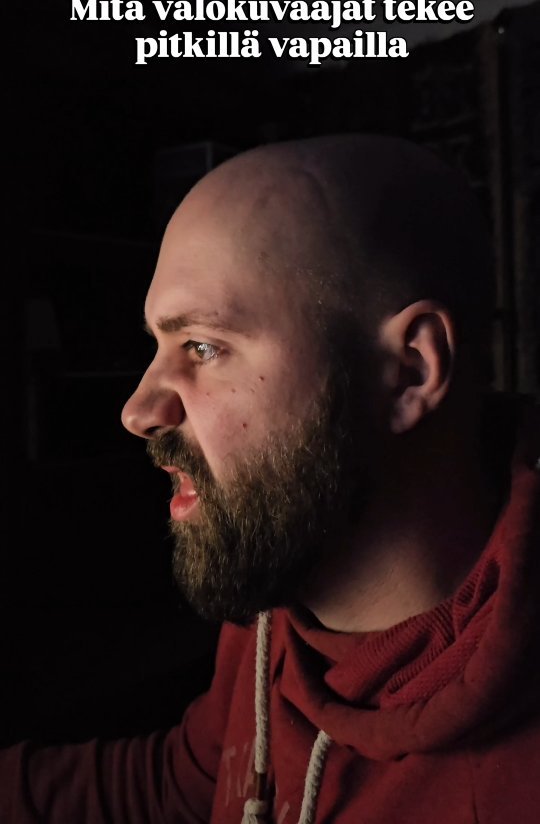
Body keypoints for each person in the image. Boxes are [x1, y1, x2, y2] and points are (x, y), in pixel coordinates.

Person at [1, 134, 539, 823]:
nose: (138, 411)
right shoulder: (287, 580)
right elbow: (191, 783)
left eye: (203, 346)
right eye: (158, 346)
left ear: (409, 371)